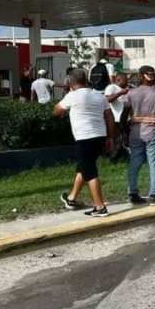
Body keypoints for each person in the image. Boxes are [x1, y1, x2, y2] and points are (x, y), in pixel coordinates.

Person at [54, 69, 115, 217]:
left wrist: (69, 95)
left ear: (70, 82)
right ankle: (71, 199)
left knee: (90, 172)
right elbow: (110, 117)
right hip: (100, 136)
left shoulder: (72, 96)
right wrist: (111, 137)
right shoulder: (99, 96)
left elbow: (56, 111)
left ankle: (100, 207)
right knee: (83, 165)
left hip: (84, 137)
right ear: (86, 80)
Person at [121, 65, 155, 205]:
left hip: (135, 133)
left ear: (141, 76)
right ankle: (154, 195)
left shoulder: (131, 93)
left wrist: (125, 132)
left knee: (134, 162)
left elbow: (124, 116)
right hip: (153, 132)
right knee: (153, 163)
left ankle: (132, 194)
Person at [104, 73, 129, 162]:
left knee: (123, 139)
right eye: (125, 80)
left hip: (124, 119)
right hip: (114, 118)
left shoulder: (126, 89)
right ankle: (112, 159)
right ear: (118, 80)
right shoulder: (112, 88)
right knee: (116, 140)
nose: (127, 82)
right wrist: (120, 93)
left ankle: (121, 157)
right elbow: (107, 100)